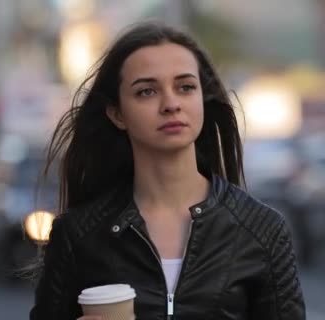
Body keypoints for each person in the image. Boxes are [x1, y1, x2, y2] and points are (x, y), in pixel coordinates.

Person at [29, 22, 306, 320]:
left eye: (185, 87)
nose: (171, 104)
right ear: (117, 113)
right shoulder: (78, 235)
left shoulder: (261, 230)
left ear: (202, 98)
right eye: (147, 91)